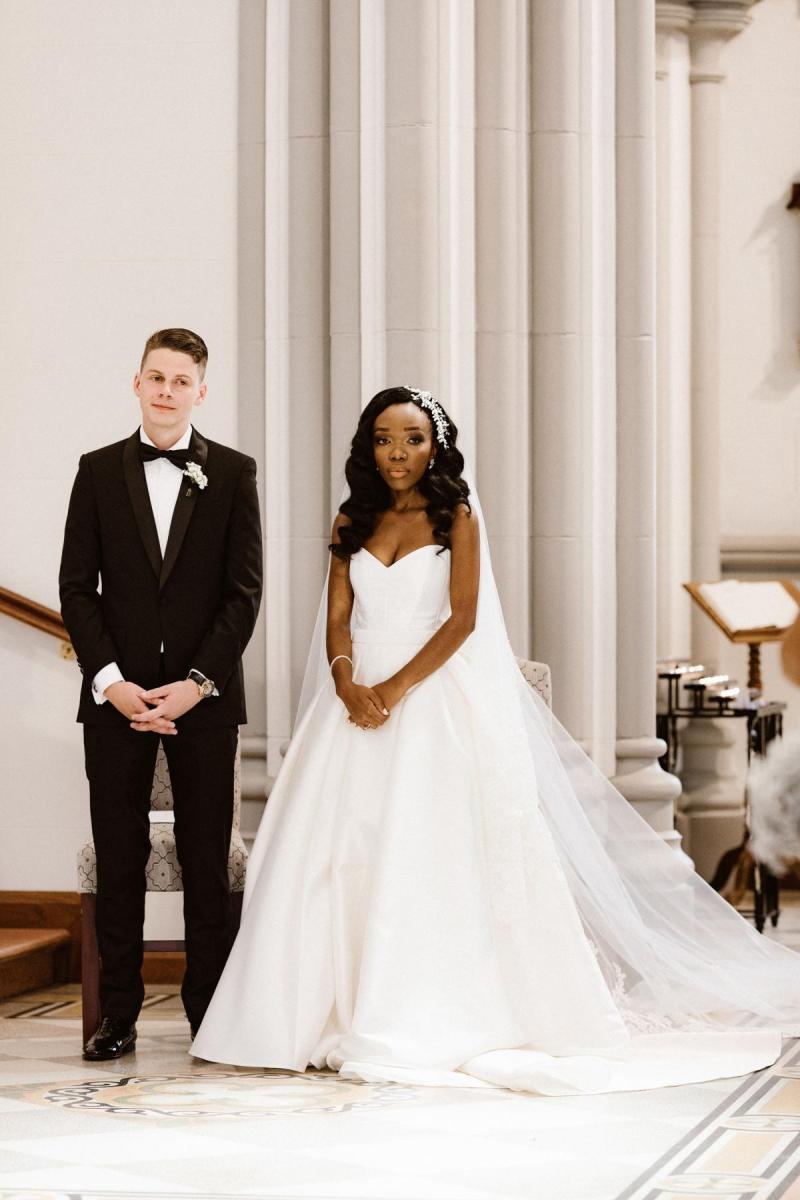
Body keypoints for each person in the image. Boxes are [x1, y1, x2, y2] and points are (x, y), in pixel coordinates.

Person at [192, 386, 800, 1096]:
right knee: (334, 851)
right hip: (349, 702)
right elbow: (336, 617)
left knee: (424, 853)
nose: (398, 453)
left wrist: (393, 691)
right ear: (367, 445)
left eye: (413, 439)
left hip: (428, 700)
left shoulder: (456, 516)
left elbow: (462, 620)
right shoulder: (350, 519)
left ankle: (425, 1006)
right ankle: (314, 1008)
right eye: (385, 438)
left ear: (435, 445)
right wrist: (347, 678)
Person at [59, 328, 263, 1061]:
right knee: (121, 859)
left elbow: (243, 595)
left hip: (203, 702)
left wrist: (196, 686)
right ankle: (117, 1016)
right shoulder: (96, 471)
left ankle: (210, 1014)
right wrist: (111, 683)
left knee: (206, 858)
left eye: (182, 381)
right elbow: (77, 590)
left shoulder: (235, 474)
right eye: (156, 377)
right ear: (137, 383)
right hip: (115, 701)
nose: (167, 391)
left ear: (201, 391)